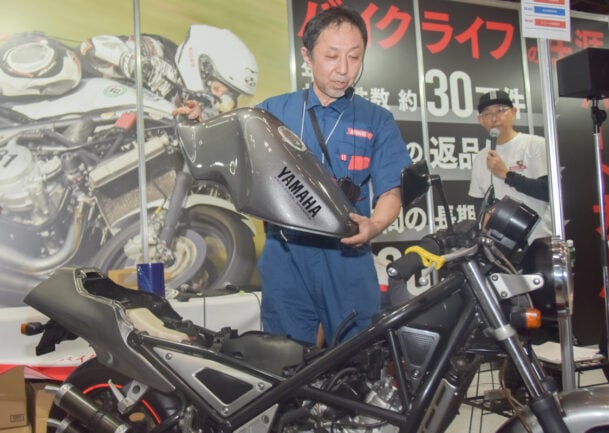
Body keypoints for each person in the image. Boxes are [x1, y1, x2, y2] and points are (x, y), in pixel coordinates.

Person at [256, 7, 411, 345]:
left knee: (357, 358)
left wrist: (375, 225)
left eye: (354, 57)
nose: (343, 69)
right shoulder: (271, 113)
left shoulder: (376, 120)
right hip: (285, 254)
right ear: (307, 56)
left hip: (348, 257)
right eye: (331, 56)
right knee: (284, 359)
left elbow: (391, 191)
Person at [0, 26, 258, 117]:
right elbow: (93, 46)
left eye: (230, 100)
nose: (220, 103)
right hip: (67, 96)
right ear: (202, 65)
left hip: (96, 145)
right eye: (219, 91)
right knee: (63, 65)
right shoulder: (160, 53)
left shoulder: (193, 115)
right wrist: (132, 62)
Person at [468, 90, 552, 243]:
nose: (494, 118)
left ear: (513, 112)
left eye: (500, 110)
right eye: (487, 114)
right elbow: (478, 200)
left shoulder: (535, 144)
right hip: (497, 246)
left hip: (537, 240)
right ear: (481, 120)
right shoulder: (481, 157)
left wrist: (508, 175)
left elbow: (548, 191)